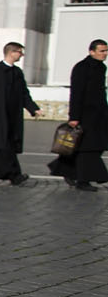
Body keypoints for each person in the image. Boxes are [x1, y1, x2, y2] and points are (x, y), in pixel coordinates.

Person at [0, 42, 43, 185]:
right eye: (20, 52)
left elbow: (24, 94)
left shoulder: (17, 73)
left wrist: (33, 108)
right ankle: (13, 175)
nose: (21, 55)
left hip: (12, 117)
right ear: (11, 52)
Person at [48, 39, 108, 191]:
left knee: (89, 146)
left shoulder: (101, 68)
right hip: (84, 115)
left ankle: (64, 168)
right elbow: (76, 93)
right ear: (91, 51)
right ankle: (83, 180)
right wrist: (74, 116)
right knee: (88, 148)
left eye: (106, 51)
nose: (105, 54)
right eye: (102, 51)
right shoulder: (81, 68)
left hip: (99, 114)